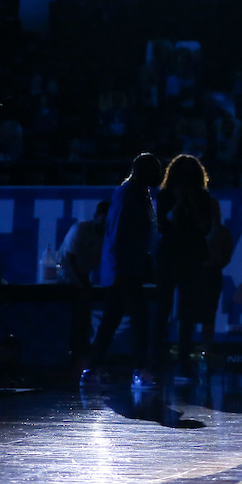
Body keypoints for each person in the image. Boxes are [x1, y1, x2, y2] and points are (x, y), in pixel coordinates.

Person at [83, 153, 163, 389]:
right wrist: (122, 270)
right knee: (139, 319)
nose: (159, 176)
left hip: (127, 269)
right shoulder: (128, 194)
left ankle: (91, 369)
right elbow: (119, 235)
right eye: (155, 170)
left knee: (111, 320)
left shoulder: (137, 193)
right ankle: (141, 371)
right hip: (125, 270)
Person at [153, 154, 233, 382]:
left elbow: (205, 226)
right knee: (164, 308)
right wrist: (179, 203)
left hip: (191, 256)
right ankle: (158, 361)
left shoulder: (204, 198)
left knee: (187, 312)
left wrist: (193, 205)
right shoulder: (166, 195)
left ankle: (183, 363)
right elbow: (164, 223)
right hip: (170, 255)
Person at [57, 201, 110, 363]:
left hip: (84, 276)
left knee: (85, 314)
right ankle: (74, 352)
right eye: (103, 220)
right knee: (76, 313)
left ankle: (82, 352)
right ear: (96, 217)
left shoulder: (110, 235)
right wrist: (82, 286)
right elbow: (68, 263)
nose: (106, 225)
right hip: (64, 275)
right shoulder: (79, 230)